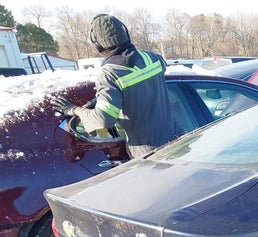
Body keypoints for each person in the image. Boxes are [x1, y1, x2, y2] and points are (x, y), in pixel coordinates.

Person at [51, 14, 178, 158]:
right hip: (177, 140)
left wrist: (74, 110)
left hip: (151, 152)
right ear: (126, 34)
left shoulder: (110, 74)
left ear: (97, 44)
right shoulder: (152, 58)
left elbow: (103, 118)